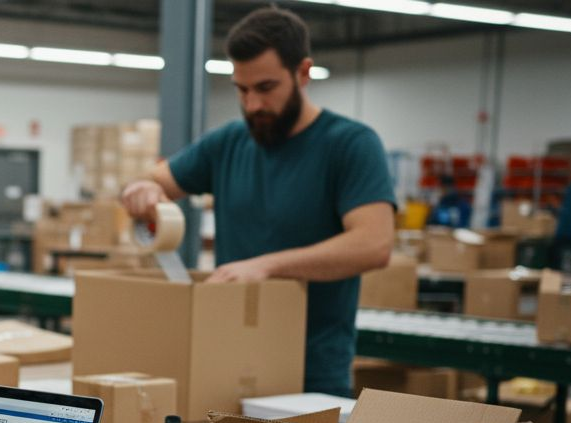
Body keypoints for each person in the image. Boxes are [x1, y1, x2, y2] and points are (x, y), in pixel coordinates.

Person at [122, 7, 395, 397]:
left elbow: (374, 244)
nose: (252, 105)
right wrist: (142, 189)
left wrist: (267, 266)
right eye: (241, 89)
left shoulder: (350, 144)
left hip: (309, 376)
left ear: (303, 73)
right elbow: (156, 180)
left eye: (265, 88)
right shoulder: (228, 143)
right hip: (226, 364)